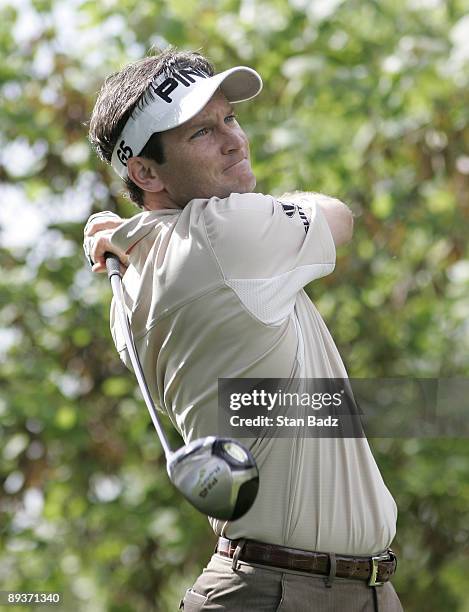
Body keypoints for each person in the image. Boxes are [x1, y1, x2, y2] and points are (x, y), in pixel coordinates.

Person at [83, 47, 403, 611]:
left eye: (229, 118)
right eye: (202, 132)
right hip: (278, 592)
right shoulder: (221, 233)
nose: (235, 140)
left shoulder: (131, 283)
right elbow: (339, 216)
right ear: (144, 171)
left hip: (327, 588)